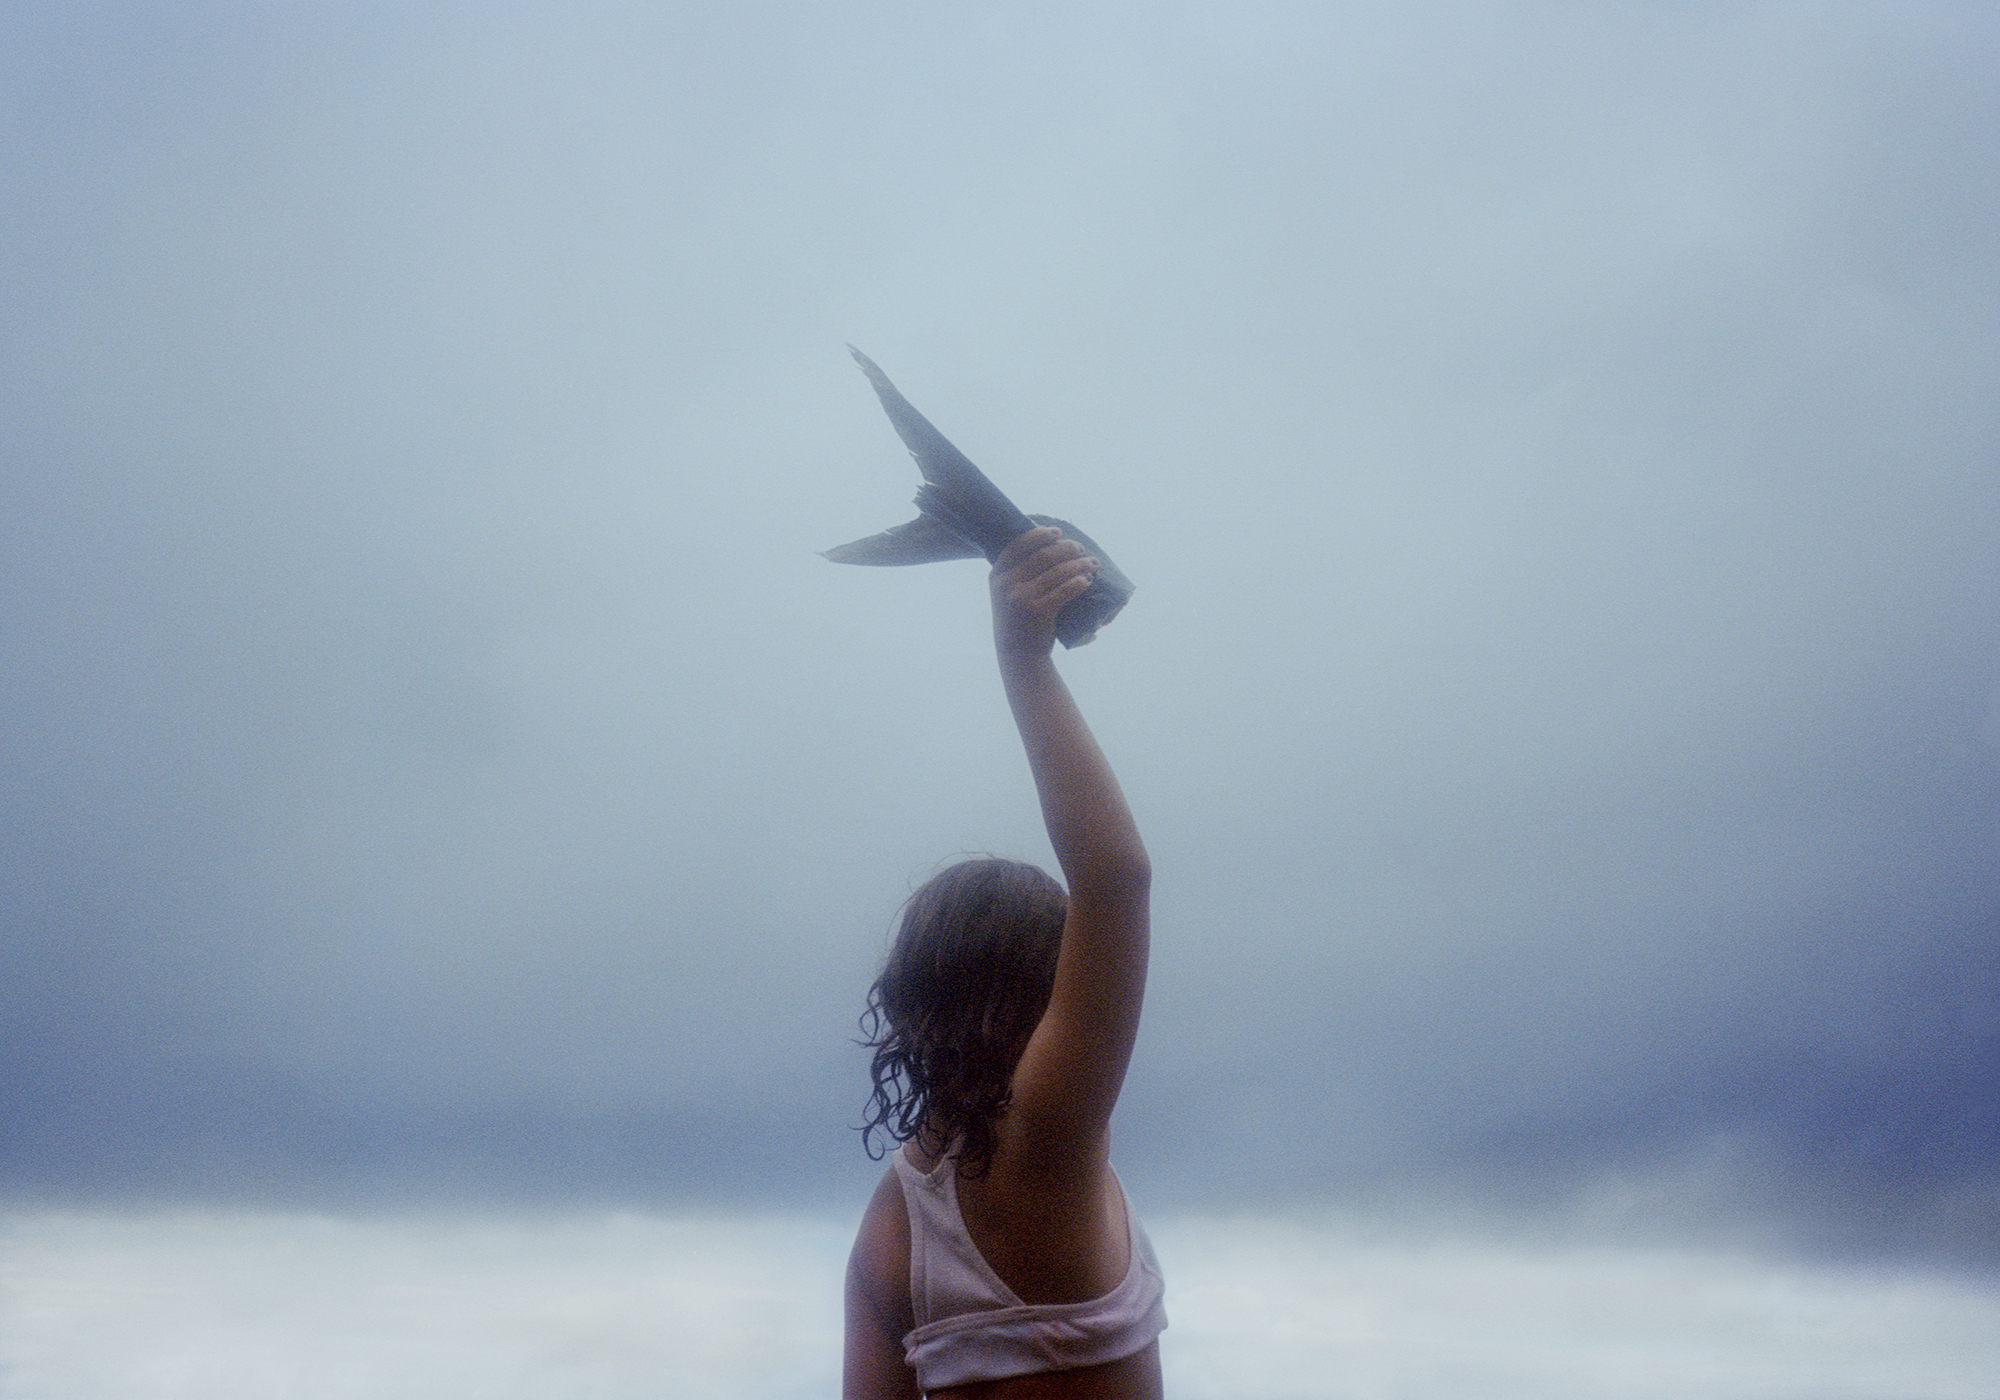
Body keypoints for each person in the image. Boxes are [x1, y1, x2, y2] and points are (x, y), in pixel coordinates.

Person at [843, 526, 1164, 1399]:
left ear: (909, 996)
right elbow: (1117, 879)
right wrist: (1025, 661)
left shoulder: (891, 1224)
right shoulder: (1048, 1140)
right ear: (1052, 984)